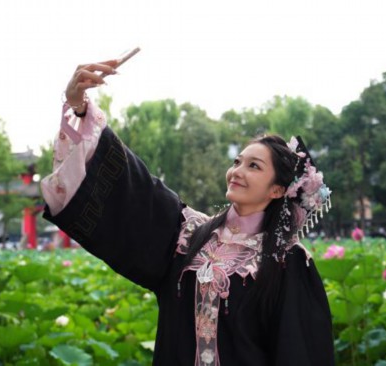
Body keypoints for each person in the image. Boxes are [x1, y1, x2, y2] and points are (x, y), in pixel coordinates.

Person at [41, 59, 335, 366]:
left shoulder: (288, 261)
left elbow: (300, 351)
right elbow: (137, 188)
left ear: (277, 190)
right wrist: (80, 108)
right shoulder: (187, 233)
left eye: (253, 166)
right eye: (237, 162)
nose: (236, 171)